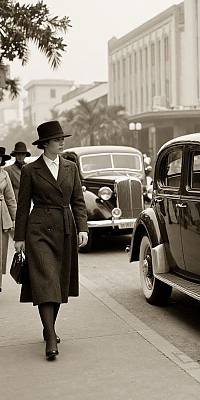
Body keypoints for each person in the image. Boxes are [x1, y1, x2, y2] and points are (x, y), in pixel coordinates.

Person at [14, 121, 88, 361]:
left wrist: (83, 228)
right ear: (45, 144)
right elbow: (23, 206)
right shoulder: (30, 170)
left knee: (58, 282)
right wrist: (19, 238)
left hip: (65, 228)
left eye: (62, 139)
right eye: (57, 140)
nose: (62, 142)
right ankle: (51, 336)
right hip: (38, 231)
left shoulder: (71, 167)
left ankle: (48, 328)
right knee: (46, 280)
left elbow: (78, 200)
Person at [0, 147, 17, 293]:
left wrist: (16, 220)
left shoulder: (5, 175)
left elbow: (11, 199)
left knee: (0, 252)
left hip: (2, 217)